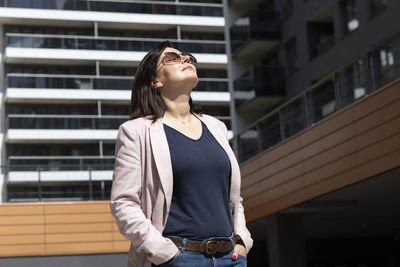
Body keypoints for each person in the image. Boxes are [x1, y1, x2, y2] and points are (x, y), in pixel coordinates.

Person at [110, 41, 253, 267]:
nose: (185, 59)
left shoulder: (216, 127)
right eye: (172, 58)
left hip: (231, 257)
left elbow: (234, 200)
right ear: (155, 81)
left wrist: (242, 240)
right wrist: (165, 253)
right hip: (179, 257)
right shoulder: (136, 132)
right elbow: (123, 203)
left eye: (186, 57)